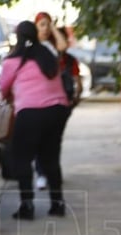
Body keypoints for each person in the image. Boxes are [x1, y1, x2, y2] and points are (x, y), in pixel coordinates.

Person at [0, 21, 70, 220]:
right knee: (51, 158)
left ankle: (27, 207)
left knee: (22, 158)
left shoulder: (12, 61)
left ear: (18, 37)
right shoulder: (47, 56)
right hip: (57, 111)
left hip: (30, 113)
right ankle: (57, 204)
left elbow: (3, 90)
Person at [32, 15, 79, 191]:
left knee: (53, 140)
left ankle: (52, 173)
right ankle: (41, 173)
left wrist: (52, 29)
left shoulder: (52, 47)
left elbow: (63, 47)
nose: (45, 28)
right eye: (41, 25)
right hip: (36, 99)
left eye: (47, 25)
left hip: (55, 100)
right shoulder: (32, 46)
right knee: (39, 139)